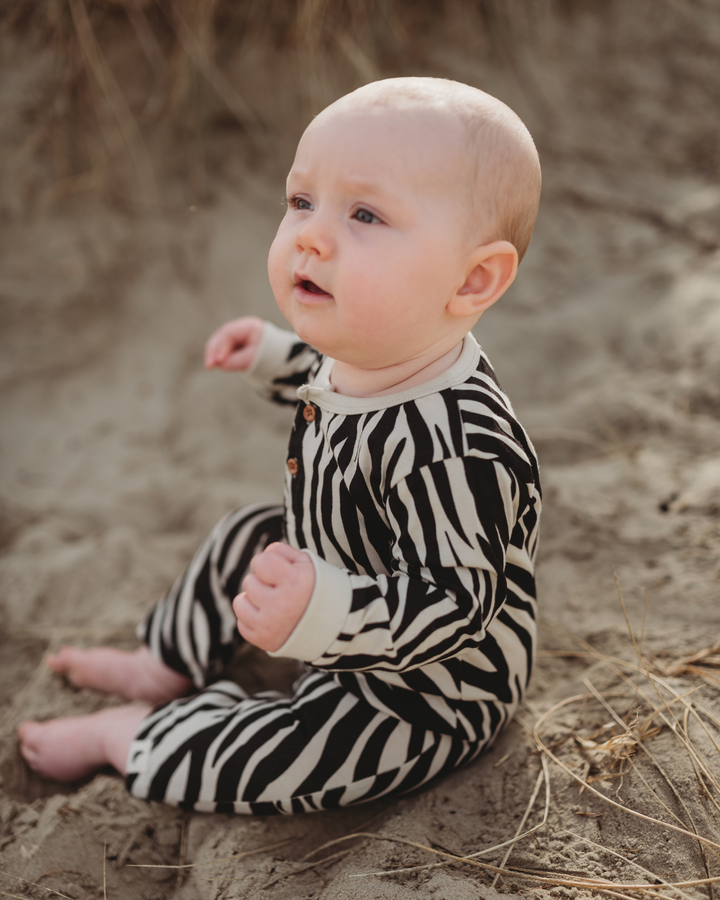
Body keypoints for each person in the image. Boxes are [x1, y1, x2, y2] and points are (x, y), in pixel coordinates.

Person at [18, 76, 542, 815]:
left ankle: (136, 735)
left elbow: (457, 600)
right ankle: (162, 662)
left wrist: (327, 611)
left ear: (473, 278)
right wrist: (274, 353)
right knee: (249, 533)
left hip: (424, 693)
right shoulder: (391, 345)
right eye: (301, 201)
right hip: (342, 567)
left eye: (364, 213)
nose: (311, 234)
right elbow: (330, 376)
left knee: (288, 759)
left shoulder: (456, 448)